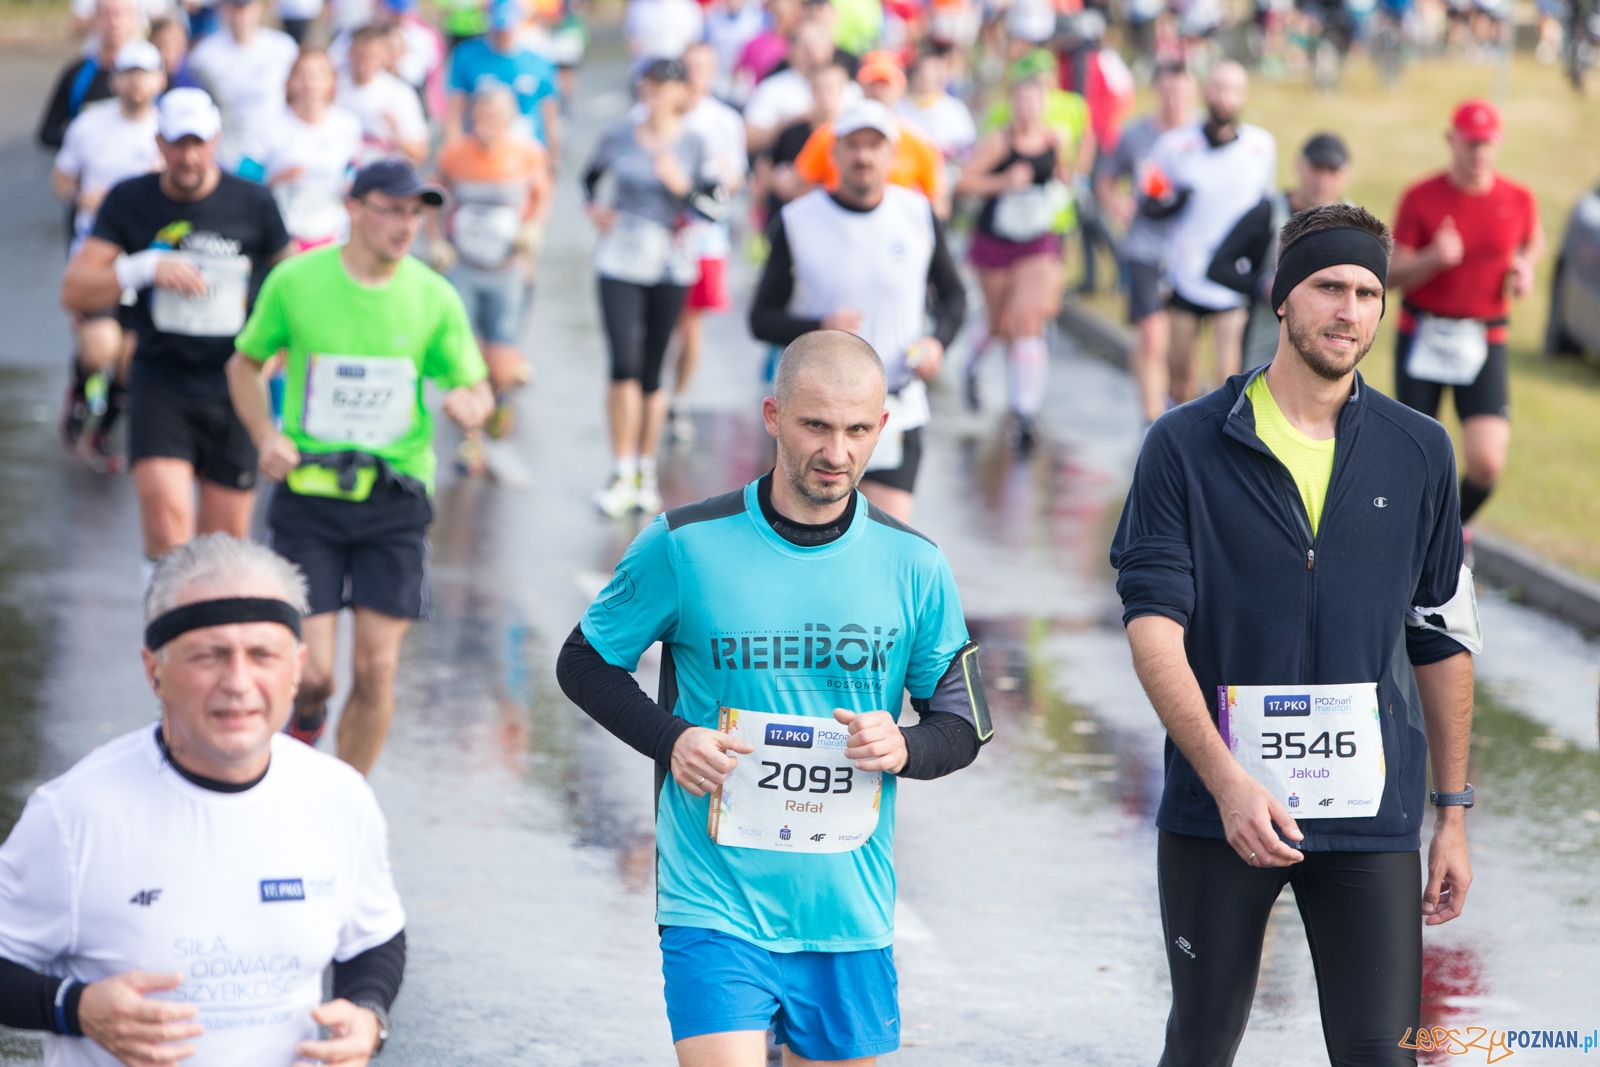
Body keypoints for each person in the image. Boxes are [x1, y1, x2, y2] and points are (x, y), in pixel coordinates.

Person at [556, 329, 992, 1067]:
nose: (837, 451)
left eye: (857, 430)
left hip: (847, 913)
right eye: (815, 425)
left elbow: (967, 720)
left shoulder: (915, 565)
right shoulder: (685, 543)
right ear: (773, 415)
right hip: (714, 899)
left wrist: (907, 746)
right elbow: (584, 661)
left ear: (883, 428)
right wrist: (671, 738)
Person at [1110, 204, 1479, 1067]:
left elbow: (1440, 634)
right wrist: (1228, 781)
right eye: (1327, 288)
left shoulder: (1420, 450)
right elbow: (1154, 631)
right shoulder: (1184, 446)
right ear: (1282, 299)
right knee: (1200, 1045)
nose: (1347, 310)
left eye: (1366, 292)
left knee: (1381, 1053)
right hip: (1221, 808)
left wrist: (1452, 814)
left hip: (1368, 816)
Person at [0, 534, 406, 1066]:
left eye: (263, 655)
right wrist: (73, 1007)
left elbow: (375, 937)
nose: (238, 683)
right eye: (209, 655)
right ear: (154, 671)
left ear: (296, 669)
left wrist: (368, 1013)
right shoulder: (76, 815)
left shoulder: (340, 798)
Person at [225, 160, 493, 772]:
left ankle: (347, 803)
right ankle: (307, 720)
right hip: (310, 494)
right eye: (393, 209)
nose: (407, 225)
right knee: (312, 673)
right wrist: (265, 435)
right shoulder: (296, 282)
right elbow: (244, 364)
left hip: (394, 500)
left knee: (375, 670)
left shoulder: (434, 295)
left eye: (417, 213)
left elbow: (478, 391)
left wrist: (468, 406)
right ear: (354, 208)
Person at [61, 89, 291, 579]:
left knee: (222, 555)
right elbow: (75, 290)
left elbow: (291, 286)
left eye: (199, 143)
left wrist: (279, 349)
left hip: (234, 386)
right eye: (177, 144)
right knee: (167, 531)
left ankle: (208, 645)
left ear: (216, 141)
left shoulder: (253, 203)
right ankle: (162, 645)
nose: (189, 157)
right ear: (159, 143)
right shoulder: (131, 199)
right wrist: (141, 268)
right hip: (161, 380)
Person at [751, 100, 965, 522]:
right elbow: (761, 318)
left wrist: (936, 342)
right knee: (809, 540)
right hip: (815, 416)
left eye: (874, 145)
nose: (863, 155)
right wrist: (819, 326)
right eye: (853, 145)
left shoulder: (918, 215)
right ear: (834, 153)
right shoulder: (798, 220)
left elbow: (955, 297)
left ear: (891, 154)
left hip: (895, 410)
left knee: (889, 545)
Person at [1388, 99, 1541, 529]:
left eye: (1487, 144)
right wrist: (1434, 259)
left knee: (1487, 462)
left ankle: (1448, 535)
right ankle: (1409, 543)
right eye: (1470, 144)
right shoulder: (1421, 196)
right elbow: (1391, 277)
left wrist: (1526, 267)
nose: (1479, 154)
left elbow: (1533, 240)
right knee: (1411, 462)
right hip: (1423, 333)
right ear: (1451, 141)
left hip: (1484, 335)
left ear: (1499, 144)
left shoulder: (1518, 198)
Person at [582, 58, 713, 518]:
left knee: (654, 369)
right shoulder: (619, 134)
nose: (652, 92)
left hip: (669, 263)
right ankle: (619, 468)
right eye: (647, 84)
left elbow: (715, 208)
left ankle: (644, 471)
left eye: (662, 85)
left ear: (681, 92)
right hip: (619, 256)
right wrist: (594, 210)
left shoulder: (695, 144)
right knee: (623, 362)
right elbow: (589, 177)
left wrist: (684, 189)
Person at [955, 57, 1086, 446]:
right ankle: (971, 367)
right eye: (1022, 102)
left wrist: (1065, 180)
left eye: (1036, 102)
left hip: (1037, 240)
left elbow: (1064, 174)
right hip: (995, 241)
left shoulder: (1054, 138)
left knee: (1028, 319)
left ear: (1044, 104)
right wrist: (1003, 182)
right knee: (999, 325)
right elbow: (963, 182)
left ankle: (1024, 413)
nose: (1029, 109)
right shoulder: (1000, 140)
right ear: (1013, 104)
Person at [52, 38, 165, 470]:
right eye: (129, 73)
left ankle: (105, 431)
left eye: (145, 73)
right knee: (102, 347)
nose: (137, 83)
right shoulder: (90, 125)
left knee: (131, 360)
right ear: (116, 78)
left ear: (160, 78)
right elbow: (62, 180)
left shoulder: (170, 130)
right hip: (99, 256)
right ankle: (81, 392)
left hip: (150, 259)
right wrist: (82, 197)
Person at [1142, 60, 1276, 405]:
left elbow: (1266, 213)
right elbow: (1148, 199)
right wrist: (1172, 203)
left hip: (1232, 276)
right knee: (1181, 378)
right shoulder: (1175, 146)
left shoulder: (1260, 147)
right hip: (1185, 272)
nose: (1224, 98)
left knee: (1229, 378)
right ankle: (1176, 447)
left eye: (1232, 89)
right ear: (1205, 91)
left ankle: (1220, 452)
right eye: (1217, 88)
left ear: (1243, 95)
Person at [432, 84, 550, 448]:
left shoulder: (527, 154)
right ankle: (471, 439)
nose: (488, 124)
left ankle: (500, 399)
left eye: (496, 116)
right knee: (465, 354)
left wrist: (533, 228)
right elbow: (434, 200)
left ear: (510, 119)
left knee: (499, 361)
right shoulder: (453, 155)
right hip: (464, 265)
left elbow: (543, 193)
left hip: (506, 267)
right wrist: (435, 240)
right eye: (481, 115)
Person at [1093, 61, 1194, 425]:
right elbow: (1105, 179)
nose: (1173, 101)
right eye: (1167, 92)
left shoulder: (1200, 138)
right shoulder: (1134, 135)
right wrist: (1116, 202)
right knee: (1152, 336)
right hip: (1143, 248)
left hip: (1189, 254)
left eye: (1181, 93)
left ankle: (1171, 402)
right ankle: (1153, 419)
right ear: (1157, 92)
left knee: (1177, 345)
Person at [1207, 132, 1353, 373]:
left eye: (1332, 172)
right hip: (1267, 342)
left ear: (1345, 175)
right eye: (1316, 169)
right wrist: (1261, 285)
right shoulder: (1269, 214)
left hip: (1331, 342)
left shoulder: (1355, 224)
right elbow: (1218, 268)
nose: (1322, 181)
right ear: (1299, 166)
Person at [670, 41, 749, 443]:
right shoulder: (661, 113)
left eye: (705, 67)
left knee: (689, 324)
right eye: (690, 67)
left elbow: (734, 177)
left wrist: (703, 184)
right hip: (663, 234)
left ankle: (677, 399)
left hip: (704, 237)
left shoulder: (724, 119)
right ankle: (659, 388)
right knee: (664, 322)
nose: (697, 75)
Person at [793, 51, 948, 217]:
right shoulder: (830, 134)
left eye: (886, 84)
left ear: (901, 89)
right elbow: (798, 189)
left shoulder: (919, 142)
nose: (879, 91)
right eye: (872, 83)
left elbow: (938, 205)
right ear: (860, 85)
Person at [242, 48, 365, 253]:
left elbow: (354, 170)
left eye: (319, 75)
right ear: (289, 81)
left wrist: (348, 185)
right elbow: (243, 177)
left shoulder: (347, 126)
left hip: (333, 233)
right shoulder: (269, 126)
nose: (310, 83)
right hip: (283, 236)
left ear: (331, 82)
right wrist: (274, 178)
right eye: (302, 75)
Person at [186, 0, 300, 172]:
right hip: (225, 154)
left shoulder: (284, 48)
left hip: (274, 151)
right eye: (233, 8)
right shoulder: (203, 55)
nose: (240, 16)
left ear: (259, 8)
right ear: (223, 10)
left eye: (246, 8)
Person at [447, 0, 563, 162]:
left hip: (527, 152)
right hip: (481, 150)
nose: (502, 34)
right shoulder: (467, 56)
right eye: (498, 28)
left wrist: (552, 156)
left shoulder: (538, 60)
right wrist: (453, 154)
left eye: (507, 29)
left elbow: (550, 113)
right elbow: (455, 111)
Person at [37, 0, 140, 150]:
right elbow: (48, 133)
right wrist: (86, 142)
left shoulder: (153, 71)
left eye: (120, 14)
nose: (114, 22)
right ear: (95, 19)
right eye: (107, 15)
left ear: (134, 19)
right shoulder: (76, 74)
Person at [744, 19, 857, 153]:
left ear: (831, 49)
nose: (813, 53)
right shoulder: (772, 88)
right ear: (792, 50)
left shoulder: (851, 89)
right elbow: (748, 140)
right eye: (806, 46)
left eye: (818, 45)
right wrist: (791, 123)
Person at [338, 23, 431, 165]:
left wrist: (394, 133)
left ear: (383, 56)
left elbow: (420, 152)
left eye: (372, 56)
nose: (365, 63)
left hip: (384, 173)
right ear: (350, 52)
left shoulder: (401, 93)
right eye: (360, 56)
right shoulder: (333, 89)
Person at [895, 50, 976, 163]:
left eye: (934, 71)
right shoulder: (900, 107)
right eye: (922, 71)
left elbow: (968, 147)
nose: (927, 75)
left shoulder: (955, 109)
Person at [624, 0, 704, 62]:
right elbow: (631, 41)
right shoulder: (637, 6)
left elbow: (694, 43)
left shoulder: (689, 7)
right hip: (646, 70)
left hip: (678, 69)